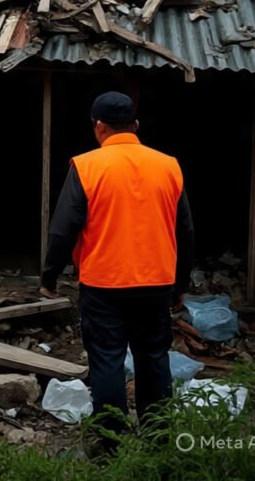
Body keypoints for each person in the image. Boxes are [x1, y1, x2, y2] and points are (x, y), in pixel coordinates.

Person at [41, 90, 194, 431]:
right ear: (135, 125)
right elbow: (185, 231)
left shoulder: (87, 166)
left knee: (107, 360)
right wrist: (181, 283)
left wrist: (50, 277)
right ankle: (157, 435)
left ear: (99, 127)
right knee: (153, 358)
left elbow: (62, 230)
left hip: (103, 285)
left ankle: (110, 440)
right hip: (156, 283)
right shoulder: (168, 166)